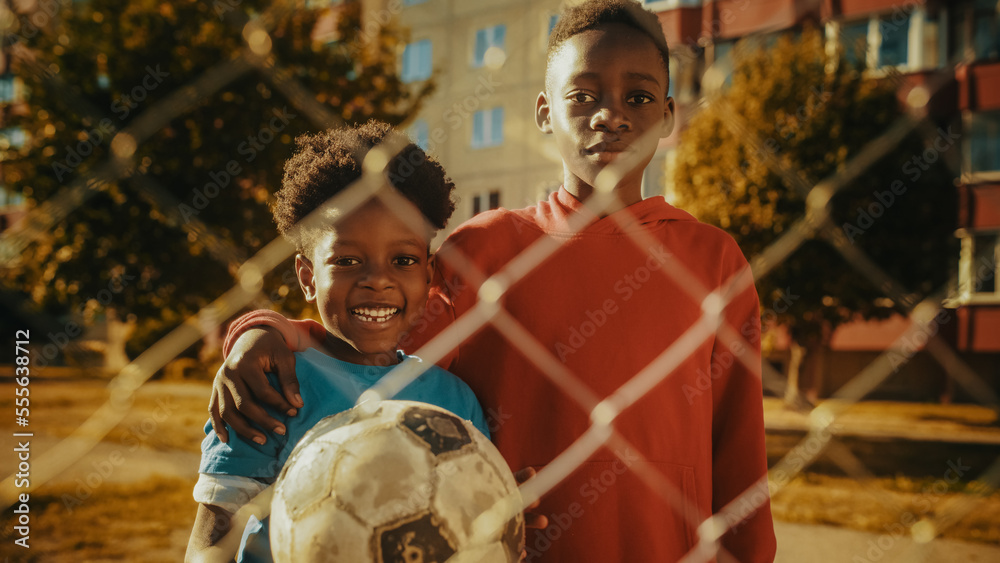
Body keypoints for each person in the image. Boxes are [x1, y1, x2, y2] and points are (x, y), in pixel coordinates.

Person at [211, 1, 777, 561]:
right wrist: (262, 330)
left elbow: (739, 446)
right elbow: (375, 345)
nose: (609, 115)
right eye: (581, 96)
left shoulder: (712, 259)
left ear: (669, 113)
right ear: (543, 111)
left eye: (639, 96)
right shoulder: (483, 249)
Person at [185, 121, 491, 563]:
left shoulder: (454, 401)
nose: (377, 280)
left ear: (427, 277)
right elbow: (210, 542)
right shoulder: (270, 384)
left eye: (402, 260)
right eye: (347, 261)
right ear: (308, 277)